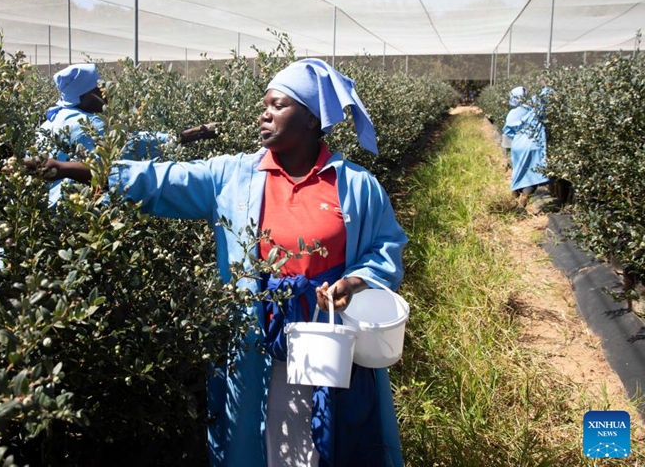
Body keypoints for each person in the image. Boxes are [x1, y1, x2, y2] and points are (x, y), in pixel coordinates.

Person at [26, 58, 407, 466]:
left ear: (312, 120)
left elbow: (386, 250)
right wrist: (71, 170)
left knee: (331, 437)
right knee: (269, 437)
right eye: (265, 104)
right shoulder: (232, 176)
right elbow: (155, 179)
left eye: (278, 105)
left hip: (330, 339)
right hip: (260, 342)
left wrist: (354, 282)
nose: (264, 113)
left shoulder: (356, 186)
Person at [39, 63, 218, 206]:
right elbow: (132, 144)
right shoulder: (86, 125)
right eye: (99, 90)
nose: (106, 93)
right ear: (83, 96)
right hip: (70, 208)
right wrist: (192, 134)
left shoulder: (55, 118)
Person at [503, 86, 550, 210]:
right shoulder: (534, 108)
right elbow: (546, 93)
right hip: (534, 144)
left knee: (518, 170)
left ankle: (514, 194)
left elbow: (508, 131)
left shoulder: (512, 114)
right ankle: (524, 198)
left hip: (518, 144)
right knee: (533, 173)